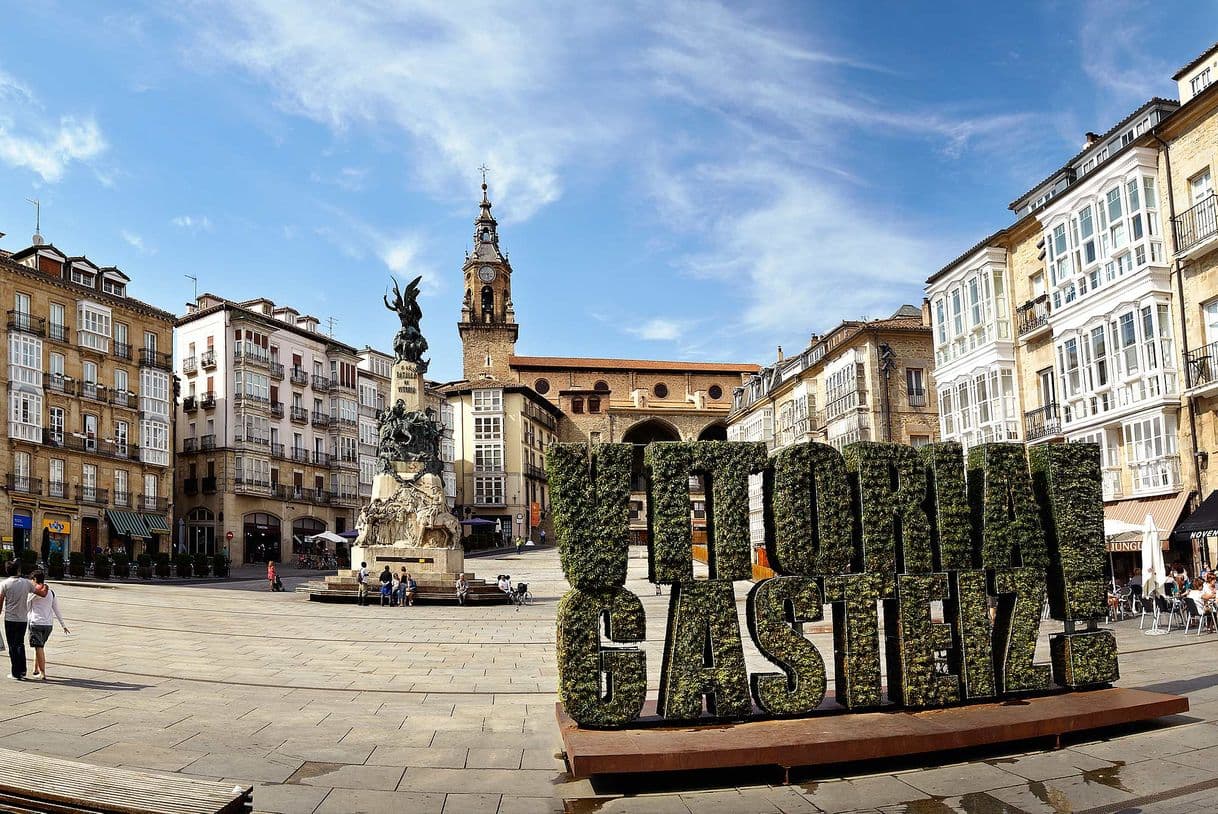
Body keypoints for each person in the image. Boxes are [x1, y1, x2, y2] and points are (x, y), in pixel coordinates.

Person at [0, 560, 45, 680]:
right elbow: (41, 593)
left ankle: (16, 672)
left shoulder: (4, 584)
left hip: (10, 618)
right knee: (20, 644)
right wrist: (45, 587)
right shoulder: (26, 583)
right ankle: (23, 670)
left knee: (12, 646)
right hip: (22, 619)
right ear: (18, 570)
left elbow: (0, 602)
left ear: (7, 571)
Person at [26, 571, 68, 681]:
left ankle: (42, 672)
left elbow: (27, 606)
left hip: (36, 623)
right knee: (39, 646)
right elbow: (56, 609)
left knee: (38, 647)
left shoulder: (33, 593)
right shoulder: (51, 592)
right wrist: (63, 625)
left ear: (34, 579)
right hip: (48, 625)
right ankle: (35, 668)